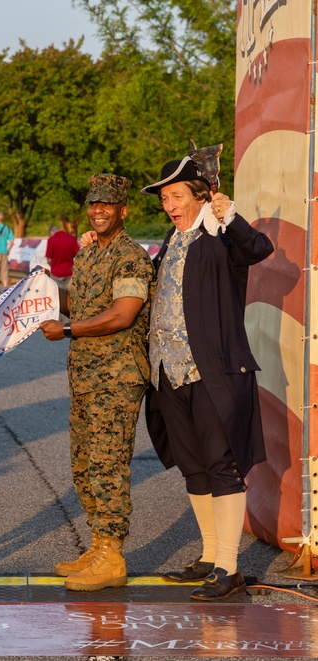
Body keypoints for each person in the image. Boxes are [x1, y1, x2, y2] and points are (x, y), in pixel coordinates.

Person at [141, 156, 273, 601]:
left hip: (211, 371)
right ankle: (210, 555)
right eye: (164, 198)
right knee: (193, 467)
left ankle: (230, 567)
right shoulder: (171, 239)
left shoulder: (222, 236)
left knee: (221, 467)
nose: (169, 205)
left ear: (201, 196)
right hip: (168, 372)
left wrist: (229, 216)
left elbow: (258, 249)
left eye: (176, 196)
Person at [39, 174, 154, 592]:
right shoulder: (89, 256)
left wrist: (67, 332)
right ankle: (98, 545)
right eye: (93, 204)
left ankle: (113, 556)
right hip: (86, 376)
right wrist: (41, 294)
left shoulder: (131, 258)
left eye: (107, 204)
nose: (98, 210)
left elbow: (122, 314)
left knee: (108, 466)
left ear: (123, 210)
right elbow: (78, 304)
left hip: (118, 377)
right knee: (84, 464)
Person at [46, 222, 80, 288]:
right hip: (70, 273)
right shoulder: (72, 239)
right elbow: (79, 256)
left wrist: (54, 265)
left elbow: (49, 259)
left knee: (58, 296)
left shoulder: (51, 240)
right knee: (69, 296)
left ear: (51, 232)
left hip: (56, 274)